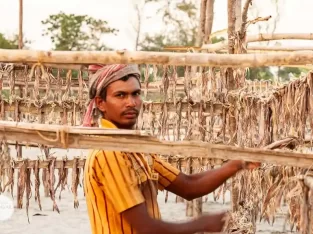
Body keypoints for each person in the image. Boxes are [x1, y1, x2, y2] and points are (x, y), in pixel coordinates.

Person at [83, 64, 260, 234]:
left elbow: (188, 186)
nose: (131, 102)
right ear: (100, 103)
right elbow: (146, 229)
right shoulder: (108, 153)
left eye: (135, 94)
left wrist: (237, 164)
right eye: (120, 95)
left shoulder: (136, 148)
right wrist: (201, 224)